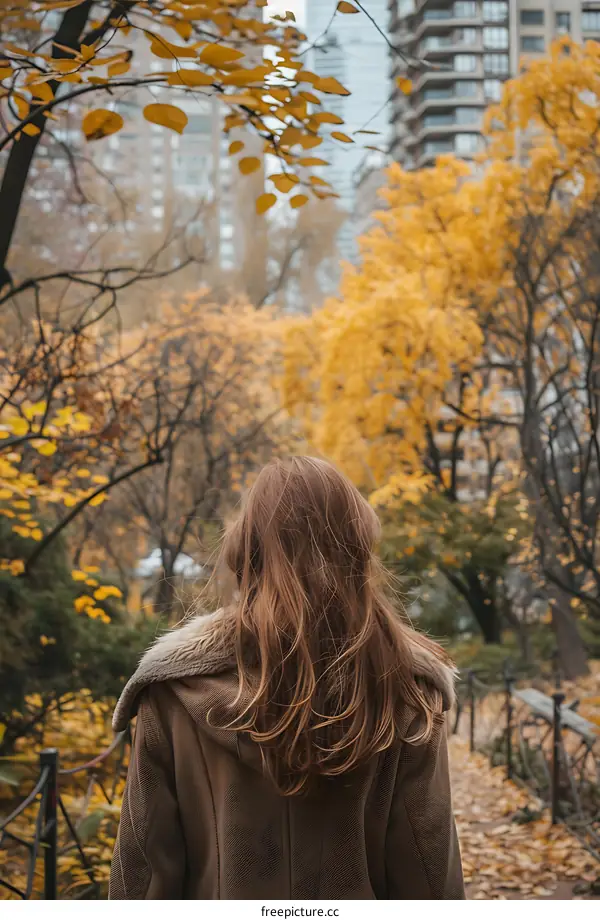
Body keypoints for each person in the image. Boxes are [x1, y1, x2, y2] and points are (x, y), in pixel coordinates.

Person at [109, 456, 465, 900]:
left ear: (246, 553)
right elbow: (426, 869)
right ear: (358, 551)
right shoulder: (406, 689)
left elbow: (144, 872)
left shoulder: (173, 694)